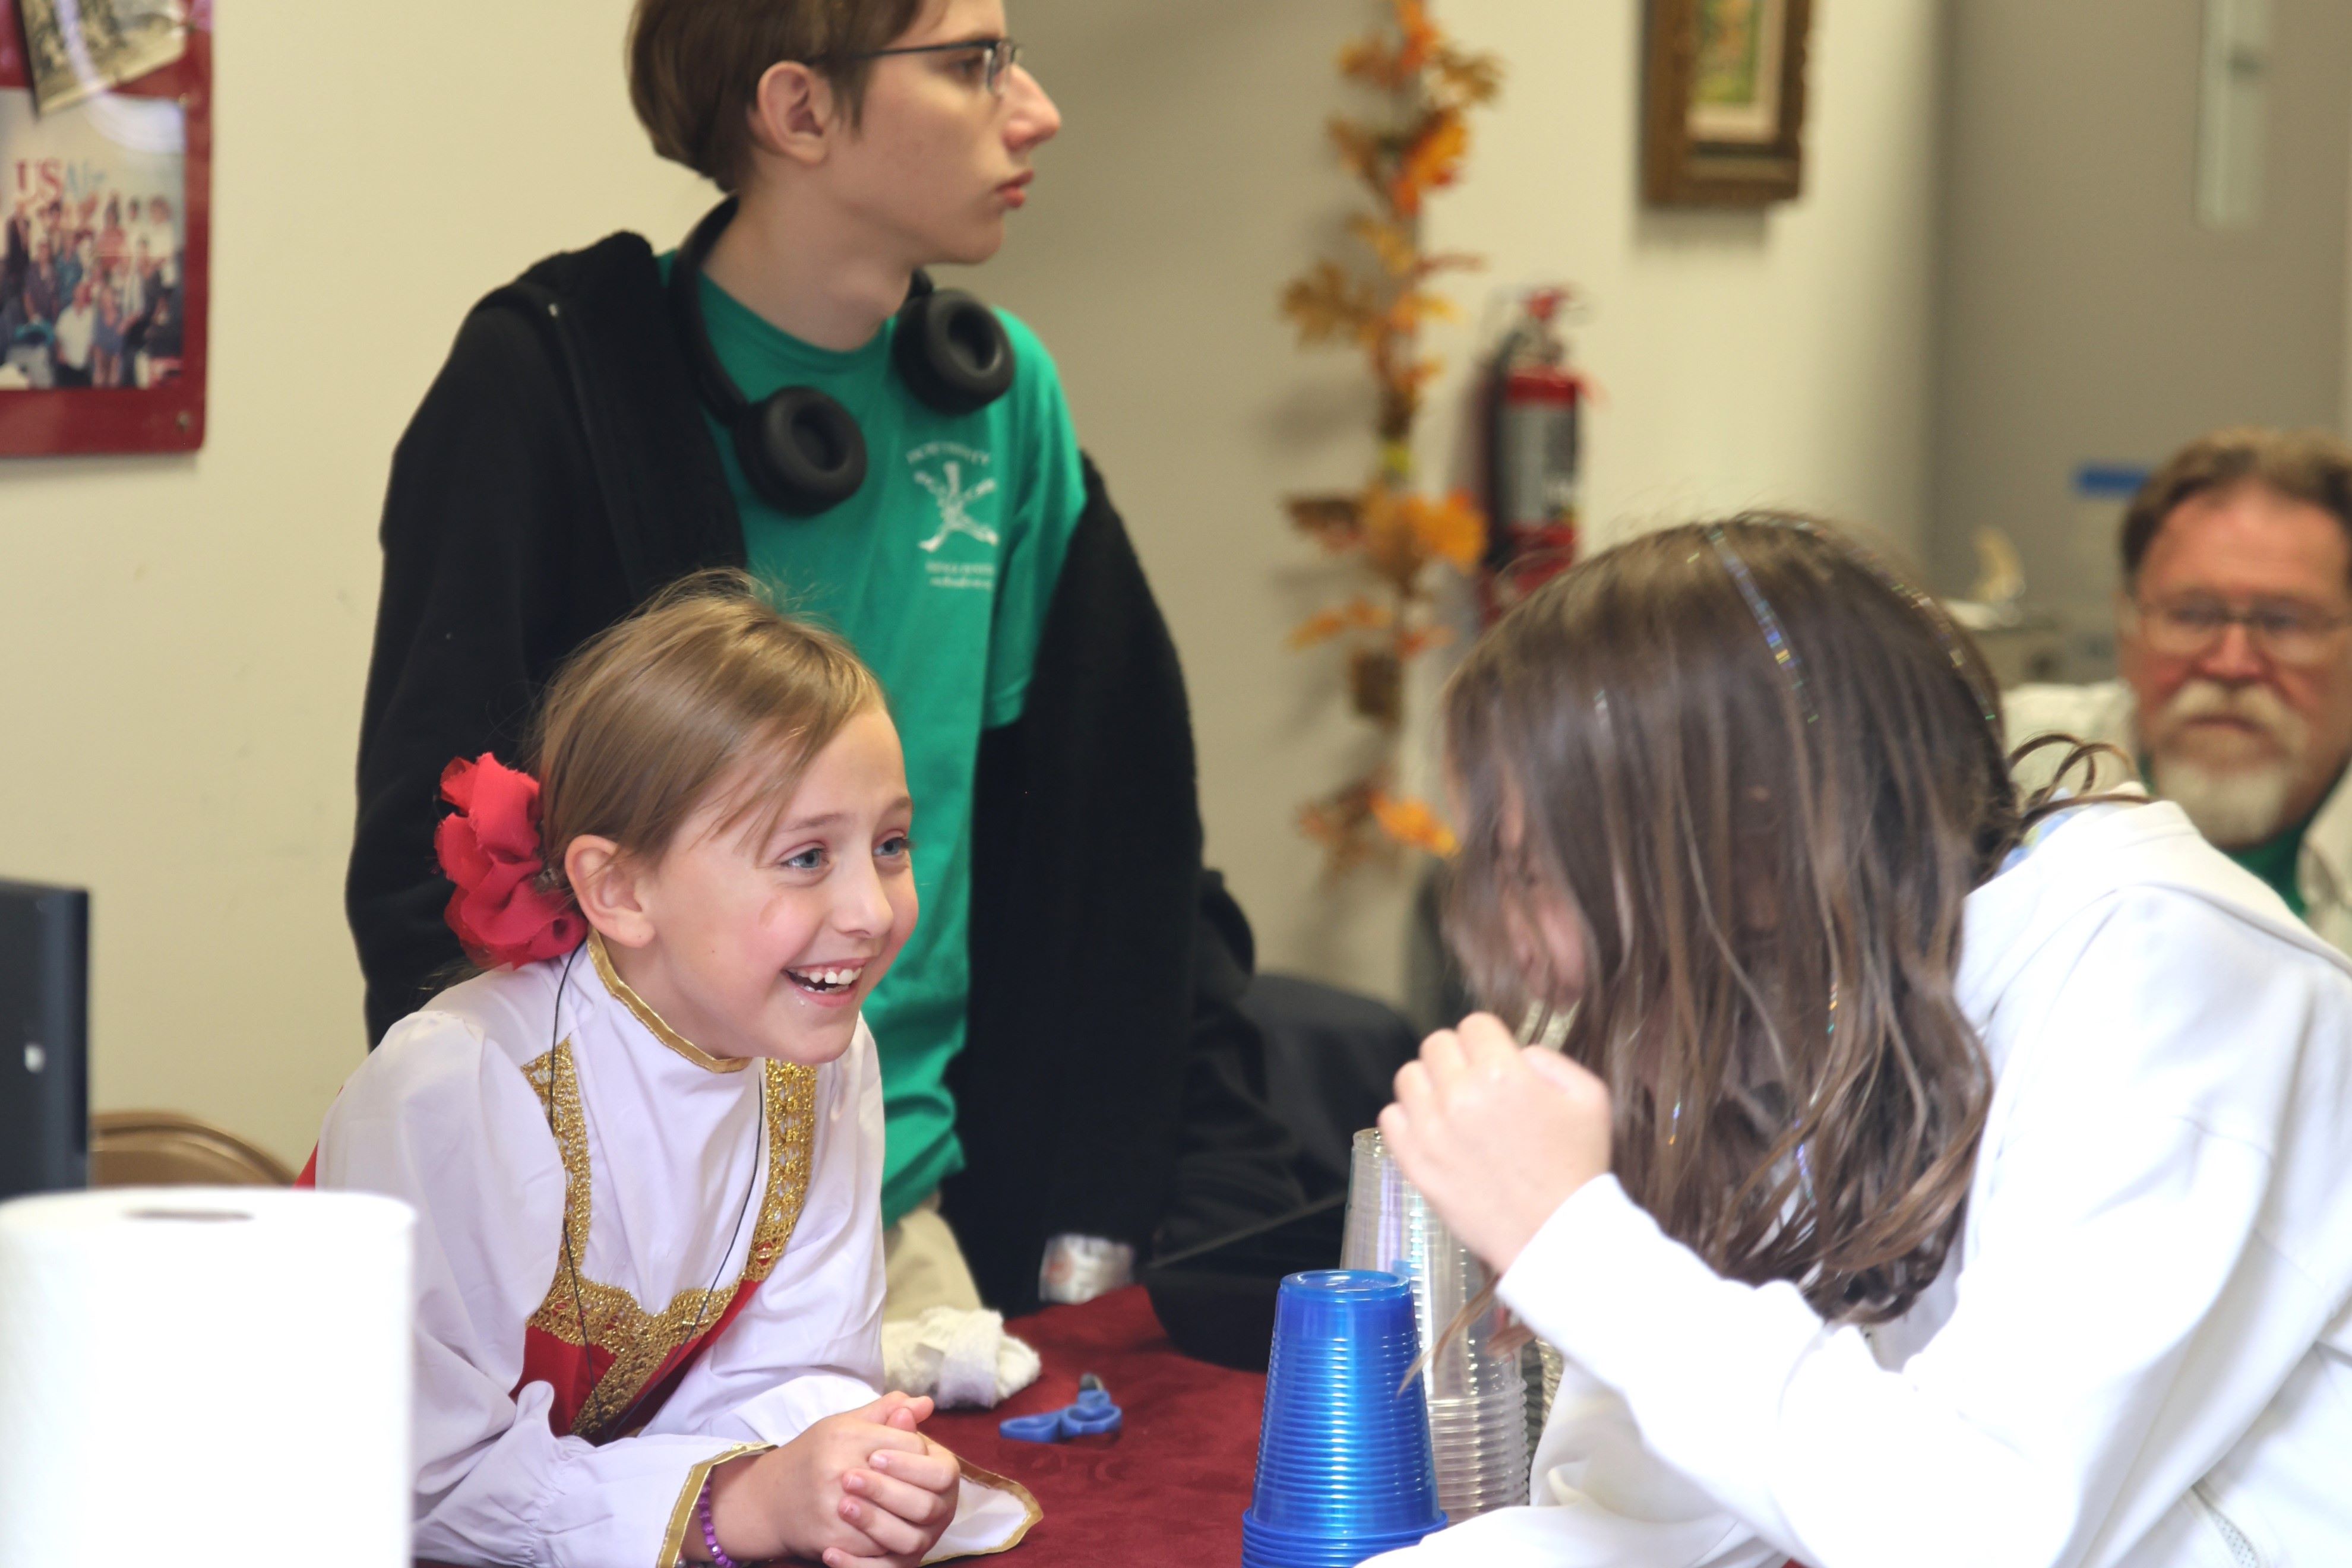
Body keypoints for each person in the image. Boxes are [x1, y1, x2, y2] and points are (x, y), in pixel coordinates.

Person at [347, 0, 1300, 1321]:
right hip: (628, 1235)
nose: (1036, 112)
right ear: (797, 109)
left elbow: (1108, 837)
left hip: (905, 1204)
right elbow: (431, 869)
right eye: (973, 66)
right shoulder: (549, 389)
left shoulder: (1002, 402)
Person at [1368, 517, 2352, 1567]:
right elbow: (1651, 1518)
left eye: (1536, 874)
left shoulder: (2166, 973)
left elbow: (1977, 1537)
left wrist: (1572, 1238)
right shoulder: (1806, 986)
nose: (1532, 953)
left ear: (1748, 835)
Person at [309, 578, 1036, 1568]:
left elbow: (800, 1363)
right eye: (807, 857)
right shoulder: (459, 1087)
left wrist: (841, 1477)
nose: (872, 910)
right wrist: (731, 1506)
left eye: (891, 844)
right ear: (617, 887)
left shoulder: (820, 1053)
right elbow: (413, 1482)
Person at [2008, 427, 2352, 950]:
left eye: (2284, 622)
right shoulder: (2001, 766)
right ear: (2127, 624)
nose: (2232, 664)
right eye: (2191, 615)